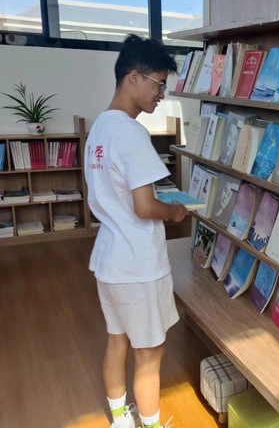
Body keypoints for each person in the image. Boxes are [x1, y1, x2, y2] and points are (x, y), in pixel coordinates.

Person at [85, 35, 188, 428]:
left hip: (110, 261)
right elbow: (145, 207)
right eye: (158, 84)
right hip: (138, 265)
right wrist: (175, 212)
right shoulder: (130, 133)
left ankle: (120, 419)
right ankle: (151, 423)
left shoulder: (100, 127)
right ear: (133, 77)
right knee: (149, 353)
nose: (161, 94)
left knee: (117, 341)